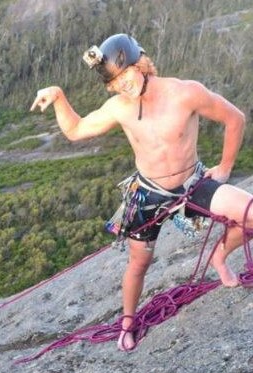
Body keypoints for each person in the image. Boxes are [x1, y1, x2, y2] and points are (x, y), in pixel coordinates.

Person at [30, 33, 251, 351]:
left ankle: (220, 255)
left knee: (250, 215)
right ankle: (128, 324)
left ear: (141, 63)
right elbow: (76, 130)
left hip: (192, 184)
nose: (122, 85)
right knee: (139, 263)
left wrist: (226, 166)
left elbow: (235, 118)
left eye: (125, 74)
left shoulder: (185, 92)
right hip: (148, 194)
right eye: (115, 82)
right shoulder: (119, 107)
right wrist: (59, 96)